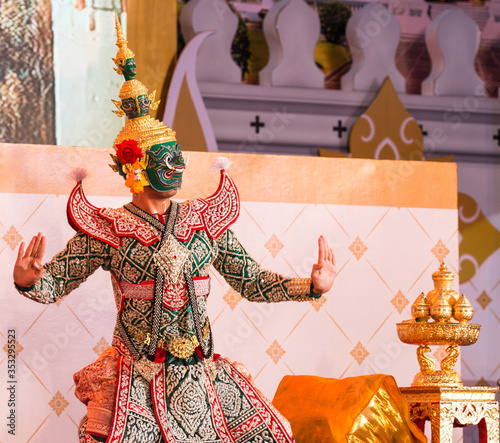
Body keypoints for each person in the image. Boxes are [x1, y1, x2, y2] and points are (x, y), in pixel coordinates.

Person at [13, 17, 336, 443]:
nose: (178, 166)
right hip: (139, 377)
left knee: (271, 433)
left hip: (202, 377)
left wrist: (311, 287)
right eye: (167, 159)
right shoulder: (111, 228)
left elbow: (252, 282)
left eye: (179, 157)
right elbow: (55, 282)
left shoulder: (206, 222)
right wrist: (29, 280)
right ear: (136, 167)